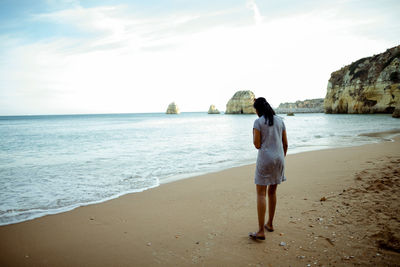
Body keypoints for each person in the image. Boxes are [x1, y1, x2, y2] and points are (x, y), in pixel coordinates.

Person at [249, 97, 288, 241]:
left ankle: (260, 231)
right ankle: (270, 224)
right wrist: (281, 158)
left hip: (265, 160)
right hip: (279, 159)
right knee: (272, 191)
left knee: (261, 193)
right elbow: (285, 144)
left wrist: (253, 133)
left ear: (258, 109)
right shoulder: (280, 120)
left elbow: (257, 144)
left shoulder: (258, 122)